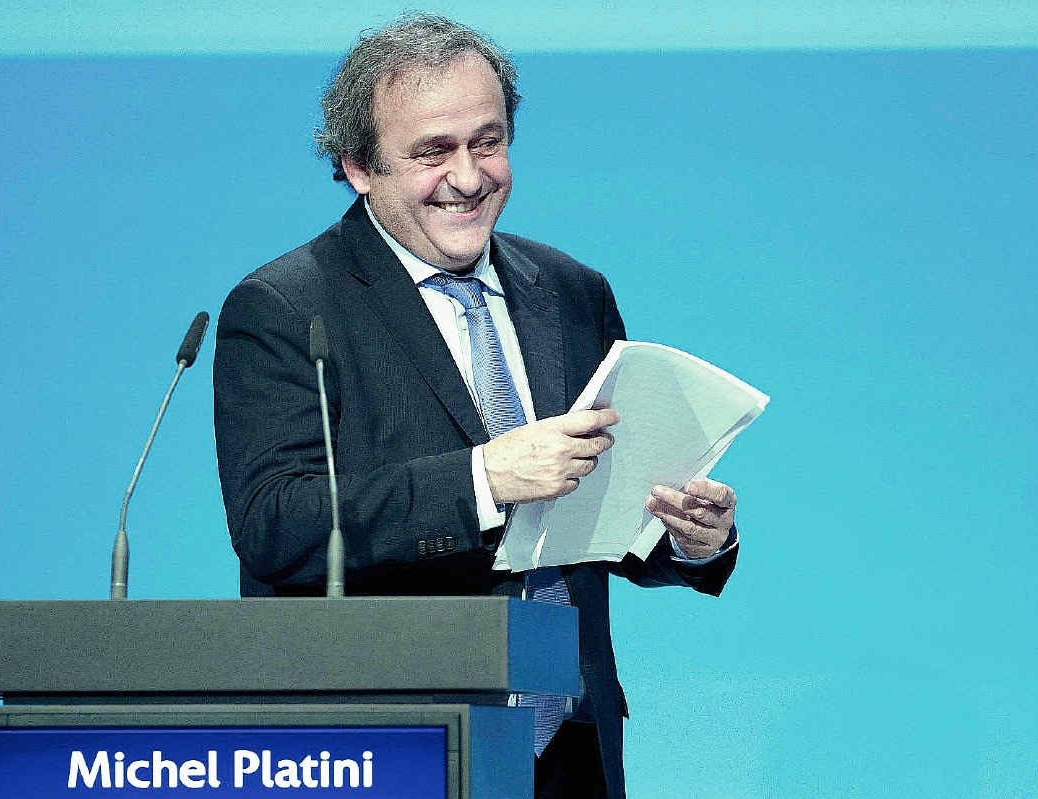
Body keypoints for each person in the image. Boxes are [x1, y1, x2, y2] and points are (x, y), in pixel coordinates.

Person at [213, 13, 739, 799]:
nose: (468, 175)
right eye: (433, 151)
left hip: (572, 748)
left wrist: (690, 538)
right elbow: (275, 523)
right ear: (358, 165)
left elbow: (597, 523)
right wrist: (483, 477)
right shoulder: (287, 307)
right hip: (389, 750)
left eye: (487, 142)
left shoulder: (570, 292)